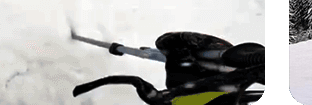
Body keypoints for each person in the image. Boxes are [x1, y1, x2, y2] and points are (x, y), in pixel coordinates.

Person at [73, 32, 266, 105]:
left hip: (192, 79)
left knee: (168, 46)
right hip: (220, 62)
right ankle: (242, 59)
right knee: (168, 44)